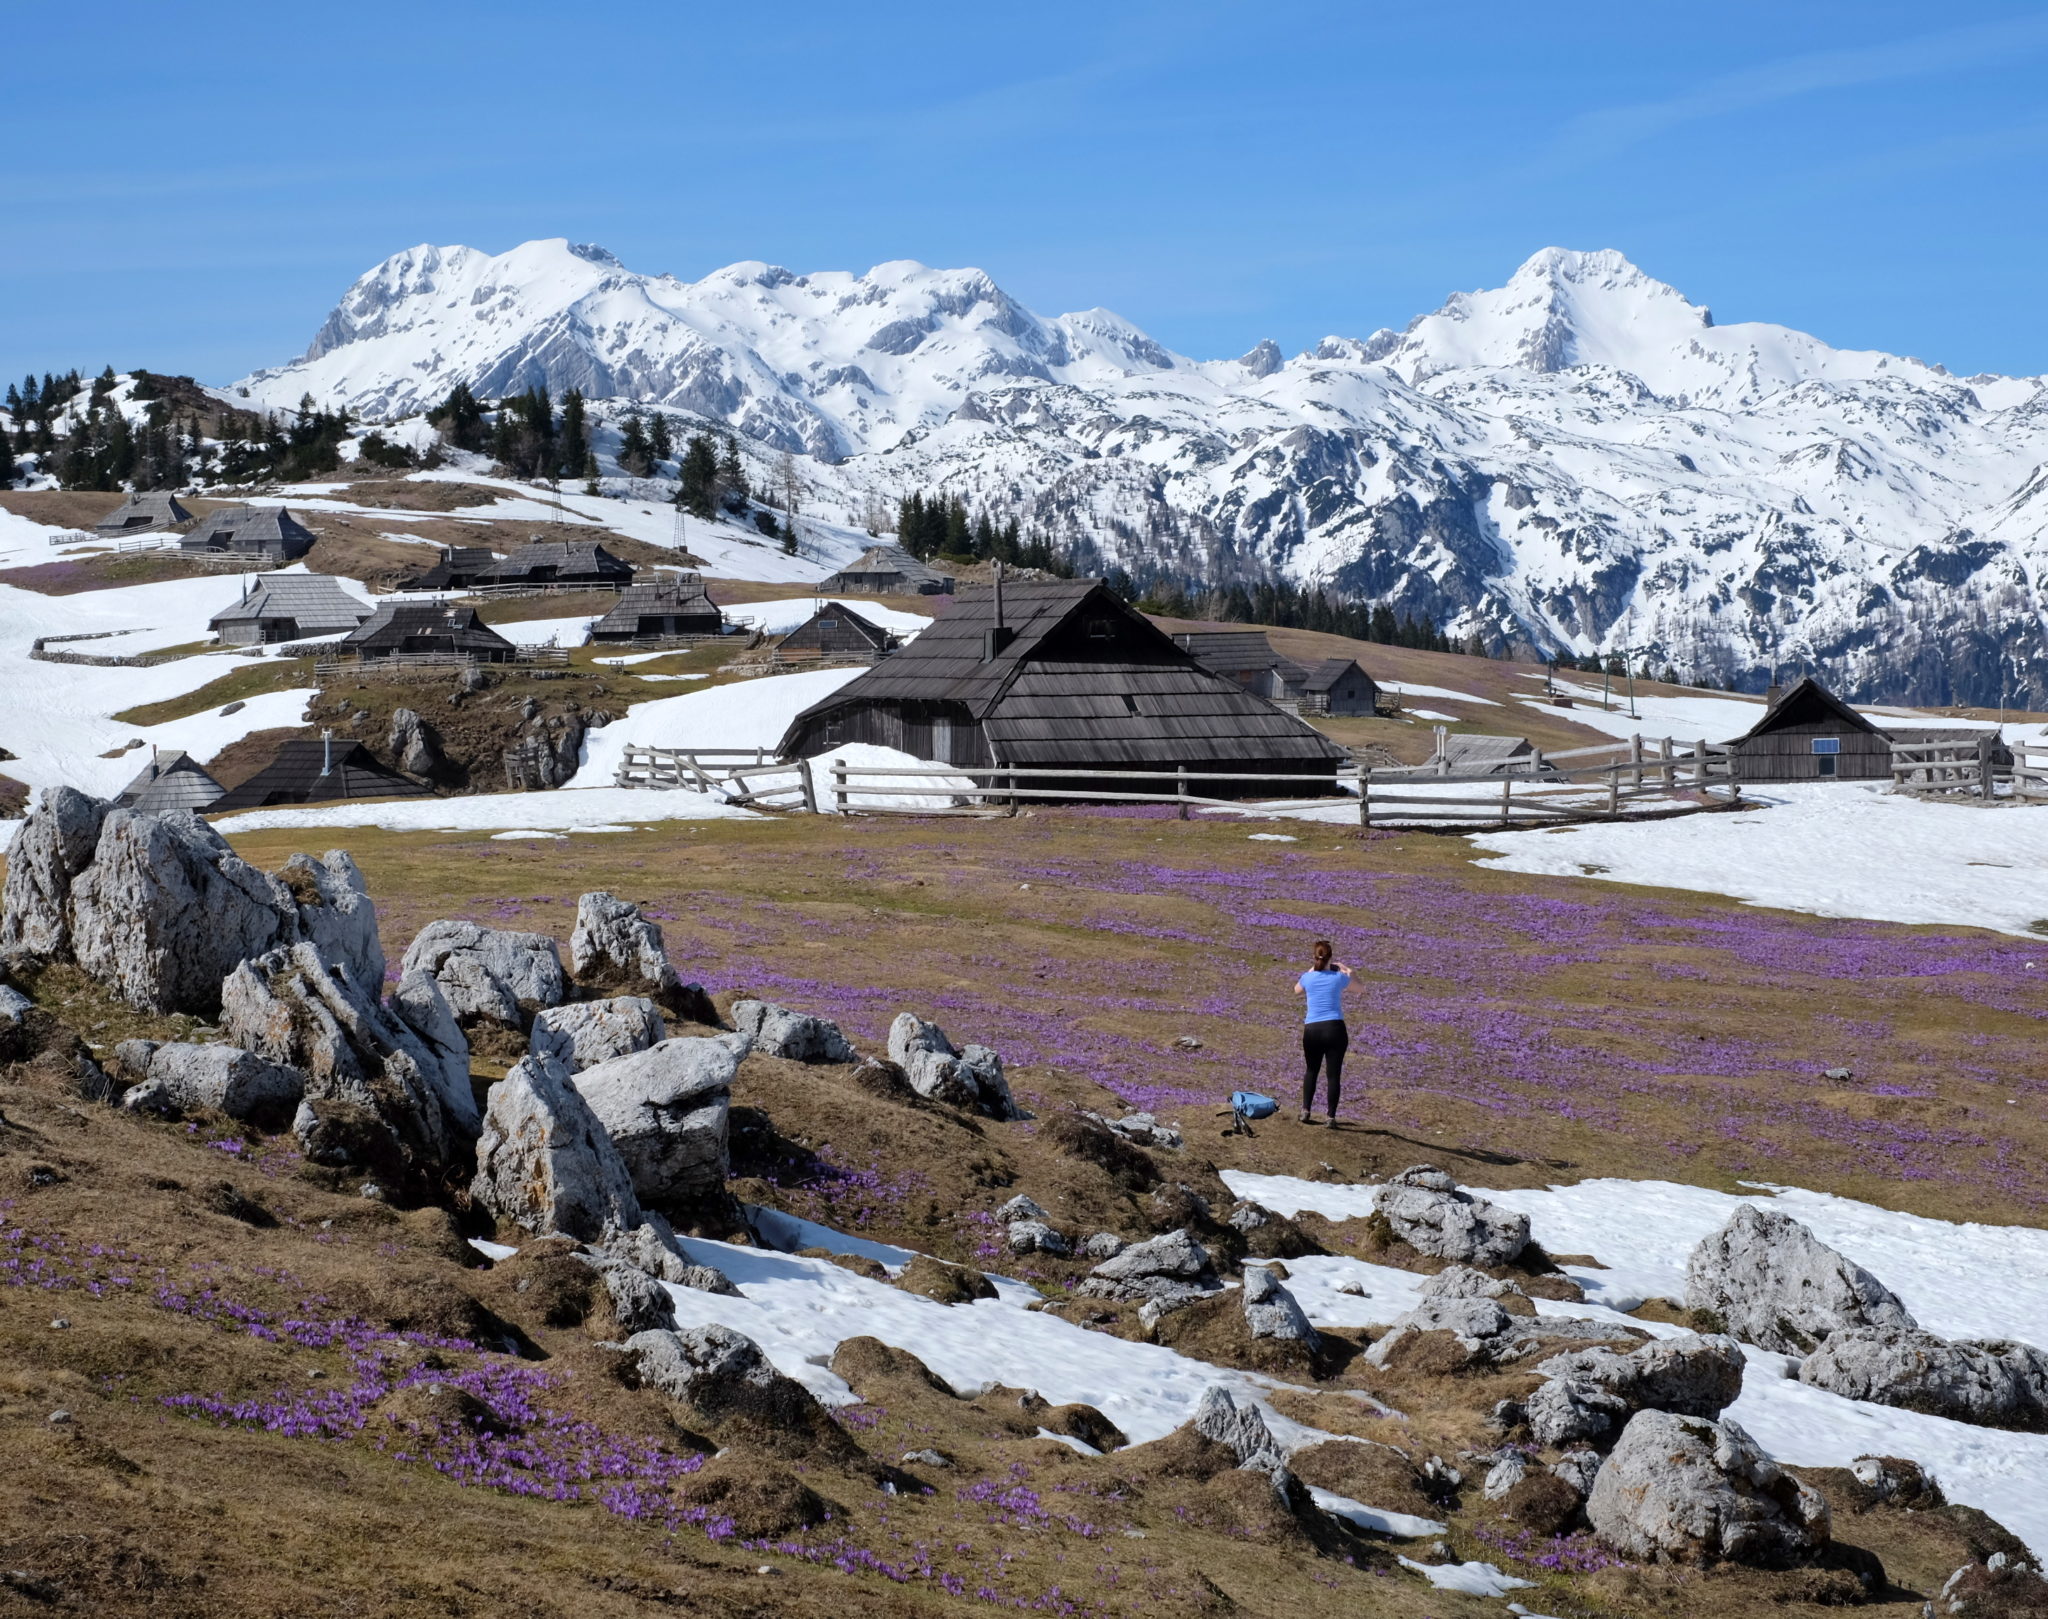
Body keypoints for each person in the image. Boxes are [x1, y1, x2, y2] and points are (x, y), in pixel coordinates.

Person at [1292, 939, 1351, 1125]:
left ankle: (1305, 1110)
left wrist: (1313, 968)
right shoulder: (1338, 977)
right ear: (1330, 958)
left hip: (1312, 1030)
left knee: (1311, 1070)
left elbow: (1296, 990)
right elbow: (1360, 988)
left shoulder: (1307, 977)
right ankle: (1331, 1117)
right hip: (1335, 1029)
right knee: (1333, 1075)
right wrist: (1346, 970)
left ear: (1314, 957)